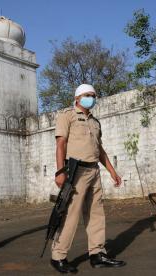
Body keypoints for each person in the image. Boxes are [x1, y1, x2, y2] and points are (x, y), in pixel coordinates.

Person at [51, 84, 126, 273]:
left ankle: (97, 253)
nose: (91, 98)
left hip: (94, 172)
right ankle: (58, 256)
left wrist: (112, 171)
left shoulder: (95, 122)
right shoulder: (67, 115)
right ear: (77, 98)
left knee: (96, 213)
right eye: (87, 95)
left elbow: (99, 150)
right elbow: (61, 143)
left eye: (93, 95)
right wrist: (60, 172)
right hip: (75, 171)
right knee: (70, 214)